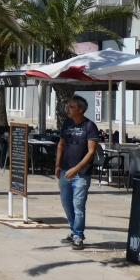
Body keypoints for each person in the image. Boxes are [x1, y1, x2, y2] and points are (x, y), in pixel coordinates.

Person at [55, 95, 100, 250]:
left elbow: (91, 152)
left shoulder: (90, 126)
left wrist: (76, 169)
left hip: (81, 174)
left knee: (78, 205)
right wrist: (57, 165)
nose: (68, 108)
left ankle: (78, 236)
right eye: (68, 106)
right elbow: (61, 145)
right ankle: (74, 231)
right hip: (65, 171)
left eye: (72, 106)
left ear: (81, 109)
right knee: (66, 203)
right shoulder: (67, 124)